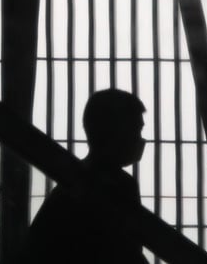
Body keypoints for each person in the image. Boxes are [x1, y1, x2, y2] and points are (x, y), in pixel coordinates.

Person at [23, 88, 149, 264]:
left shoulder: (71, 183)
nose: (139, 139)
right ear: (115, 131)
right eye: (135, 130)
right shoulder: (118, 185)